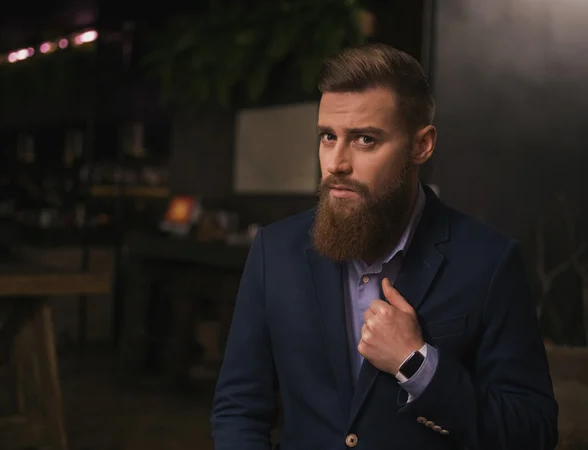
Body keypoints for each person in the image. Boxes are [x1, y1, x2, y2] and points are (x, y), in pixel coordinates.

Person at [211, 43, 558, 450]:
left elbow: (532, 432)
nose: (336, 163)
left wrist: (417, 365)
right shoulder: (275, 251)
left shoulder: (489, 262)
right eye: (327, 137)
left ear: (421, 146)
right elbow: (239, 408)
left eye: (365, 140)